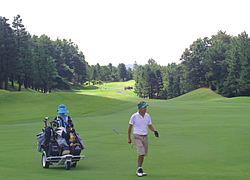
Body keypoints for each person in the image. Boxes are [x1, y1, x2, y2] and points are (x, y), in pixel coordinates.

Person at [128, 101, 159, 177]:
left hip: (145, 136)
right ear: (139, 108)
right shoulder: (134, 116)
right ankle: (139, 169)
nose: (145, 109)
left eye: (145, 107)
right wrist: (129, 138)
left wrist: (154, 131)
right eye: (143, 107)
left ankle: (140, 168)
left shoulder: (147, 116)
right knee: (141, 152)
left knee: (143, 154)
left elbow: (150, 125)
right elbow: (130, 127)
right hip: (137, 136)